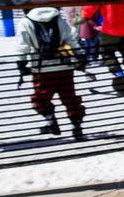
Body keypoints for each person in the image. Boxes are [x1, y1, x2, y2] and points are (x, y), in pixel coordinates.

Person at [15, 7, 86, 141]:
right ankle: (77, 127)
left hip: (42, 69)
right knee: (69, 96)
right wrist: (80, 55)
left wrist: (21, 64)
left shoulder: (25, 22)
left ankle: (51, 121)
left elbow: (22, 45)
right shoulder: (58, 18)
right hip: (64, 65)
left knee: (40, 97)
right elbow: (70, 39)